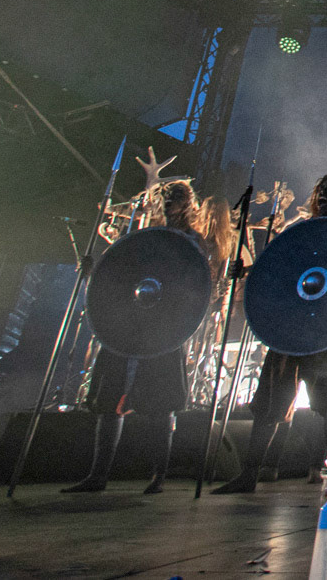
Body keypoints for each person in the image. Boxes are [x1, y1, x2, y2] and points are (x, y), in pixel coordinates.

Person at [64, 152, 222, 494]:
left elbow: (195, 286)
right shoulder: (144, 236)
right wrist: (98, 272)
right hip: (130, 326)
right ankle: (98, 474)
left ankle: (159, 476)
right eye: (166, 199)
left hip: (165, 330)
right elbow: (124, 275)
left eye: (176, 200)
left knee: (161, 405)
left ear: (188, 205)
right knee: (110, 403)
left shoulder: (192, 243)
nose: (170, 205)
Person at [215, 174, 327, 494]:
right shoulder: (304, 231)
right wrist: (249, 271)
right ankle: (249, 473)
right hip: (293, 325)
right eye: (319, 191)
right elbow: (283, 266)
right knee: (272, 399)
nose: (322, 195)